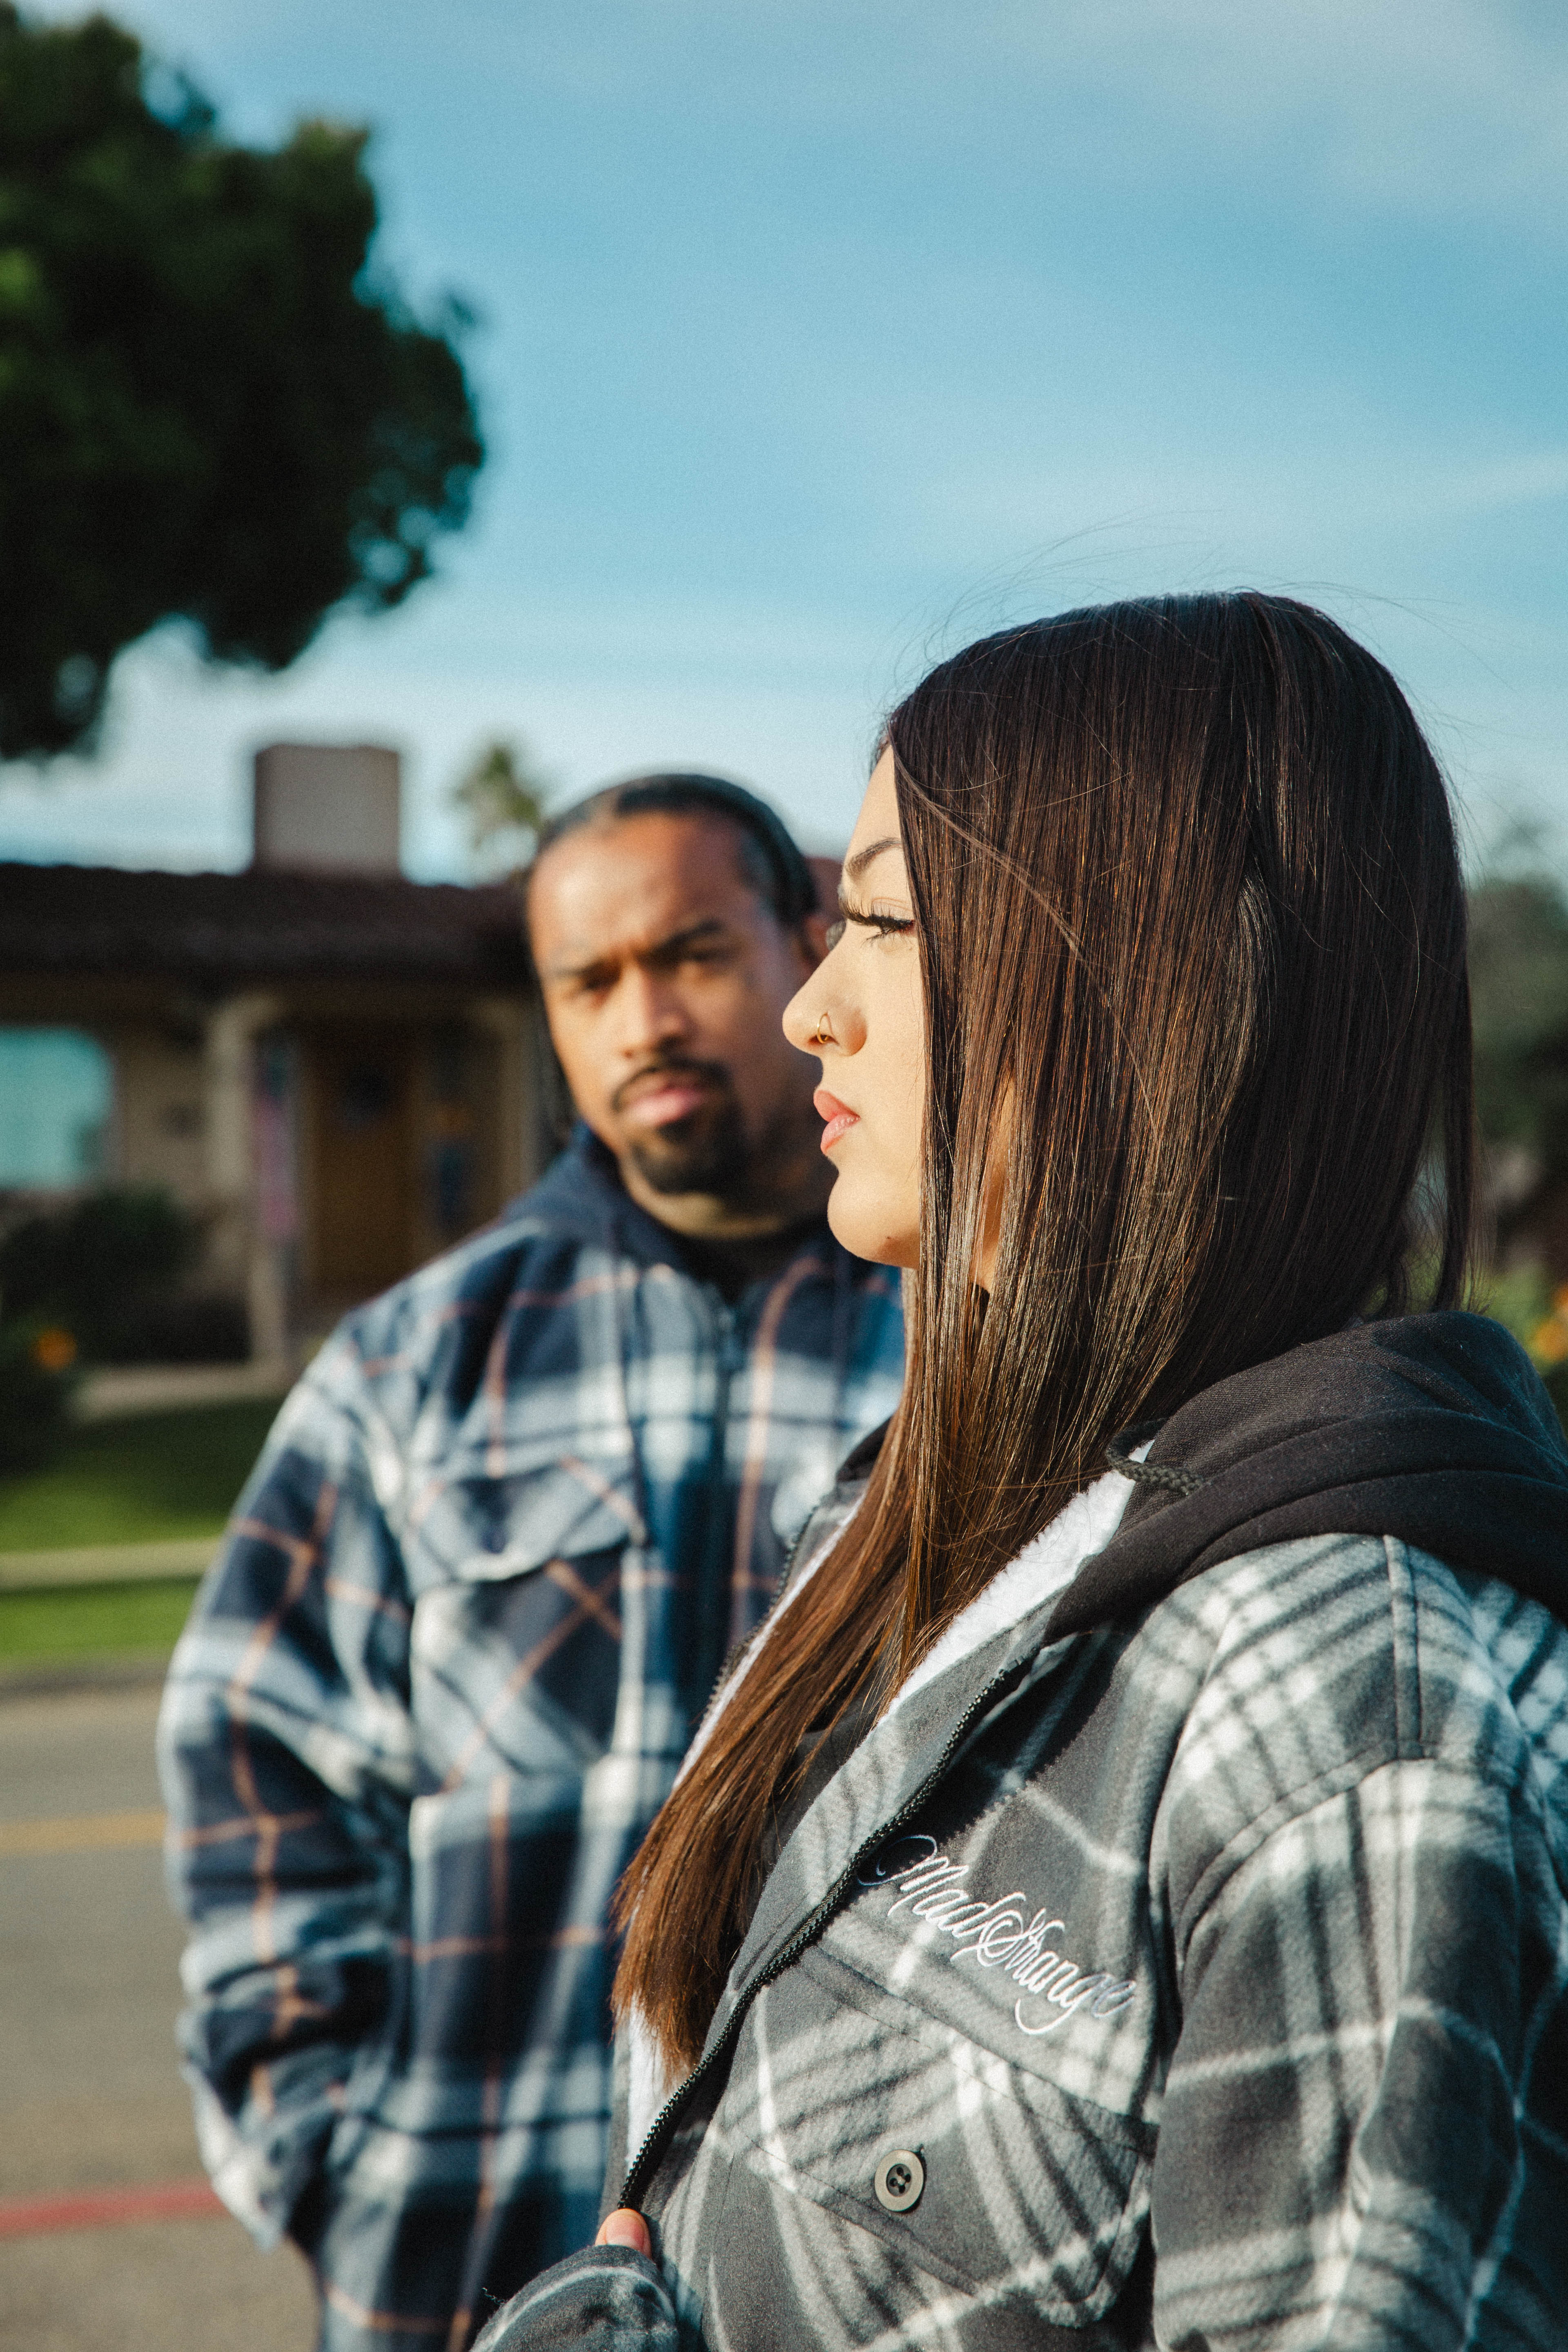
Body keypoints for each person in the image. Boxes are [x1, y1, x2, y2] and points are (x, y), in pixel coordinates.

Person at [476, 597, 1568, 2351]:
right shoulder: (921, 1499)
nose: (812, 1010)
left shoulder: (1344, 1705)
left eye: (888, 925)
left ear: (1139, 986)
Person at [157, 773, 906, 2351]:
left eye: (693, 953)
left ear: (805, 940)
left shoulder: (970, 1342)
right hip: (453, 2271)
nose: (643, 1019)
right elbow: (255, 1753)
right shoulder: (418, 1368)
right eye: (589, 981)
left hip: (851, 2283)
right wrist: (328, 2153)